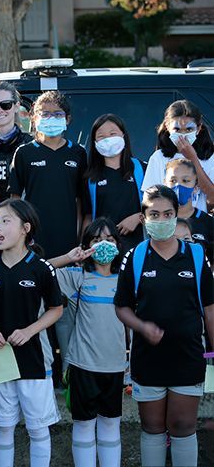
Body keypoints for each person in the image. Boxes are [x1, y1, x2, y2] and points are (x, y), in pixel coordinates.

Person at [114, 185, 214, 467]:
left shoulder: (195, 255)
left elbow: (209, 307)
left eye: (168, 213)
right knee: (153, 426)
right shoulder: (134, 257)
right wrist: (142, 327)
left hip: (187, 355)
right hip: (148, 359)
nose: (162, 220)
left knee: (182, 425)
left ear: (176, 213)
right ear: (144, 218)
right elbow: (121, 306)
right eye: (154, 214)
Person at [0, 198, 64, 467]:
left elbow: (56, 310)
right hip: (0, 358)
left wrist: (29, 331)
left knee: (37, 429)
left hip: (35, 360)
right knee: (3, 427)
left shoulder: (41, 267)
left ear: (26, 228)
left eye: (5, 221)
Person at [54, 217, 126, 467]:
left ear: (118, 244)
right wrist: (69, 257)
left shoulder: (127, 280)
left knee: (111, 424)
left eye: (109, 239)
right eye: (96, 240)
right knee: (83, 426)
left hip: (116, 366)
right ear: (86, 246)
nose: (103, 245)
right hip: (83, 366)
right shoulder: (77, 277)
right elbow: (39, 270)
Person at [8, 91, 88, 258]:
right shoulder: (24, 153)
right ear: (34, 118)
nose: (51, 119)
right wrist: (20, 236)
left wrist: (80, 238)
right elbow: (15, 200)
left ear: (67, 119)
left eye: (58, 114)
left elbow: (81, 201)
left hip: (67, 242)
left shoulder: (78, 153)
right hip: (33, 239)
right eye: (45, 114)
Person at [83, 114, 146, 252]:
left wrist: (138, 217)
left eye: (113, 134)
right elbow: (88, 216)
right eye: (101, 136)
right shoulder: (90, 177)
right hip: (103, 251)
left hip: (138, 247)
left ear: (123, 135)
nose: (108, 139)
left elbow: (158, 206)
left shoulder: (141, 168)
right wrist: (83, 246)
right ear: (94, 142)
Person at [141, 100, 214, 212]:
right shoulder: (158, 157)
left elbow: (212, 198)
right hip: (168, 223)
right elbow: (149, 199)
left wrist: (193, 159)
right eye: (177, 130)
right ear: (167, 127)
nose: (183, 136)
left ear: (198, 129)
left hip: (197, 223)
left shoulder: (209, 157)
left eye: (189, 129)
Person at [164, 158, 213, 262]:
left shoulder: (208, 223)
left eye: (185, 181)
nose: (178, 186)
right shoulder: (157, 221)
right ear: (165, 184)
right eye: (173, 181)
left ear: (195, 187)